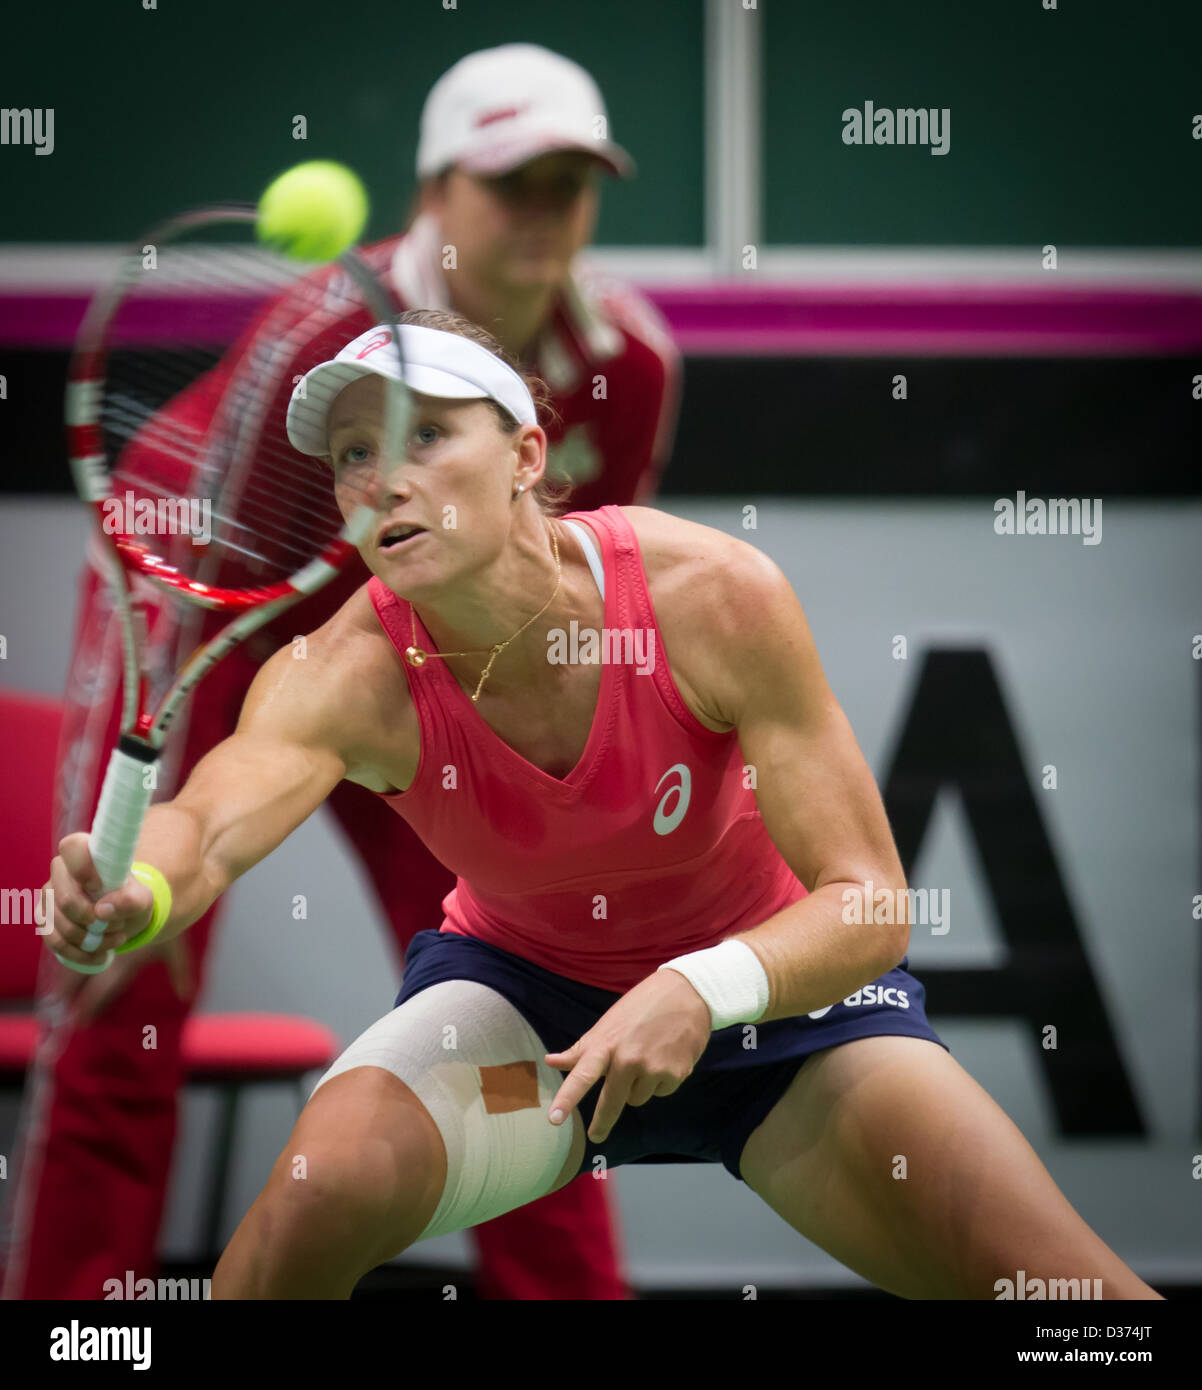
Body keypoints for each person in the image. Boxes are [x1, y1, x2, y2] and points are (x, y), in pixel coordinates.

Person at [44, 313, 1162, 1300]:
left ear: (527, 452)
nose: (380, 480)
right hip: (529, 1016)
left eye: (425, 438)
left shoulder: (710, 596)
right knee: (312, 1196)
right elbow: (204, 825)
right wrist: (133, 892)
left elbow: (868, 906)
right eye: (351, 456)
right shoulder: (345, 674)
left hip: (781, 1017)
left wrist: (696, 987)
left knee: (1062, 1293)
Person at [0, 44, 679, 1302]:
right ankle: (75, 1324)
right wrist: (181, 842)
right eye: (510, 182)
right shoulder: (316, 335)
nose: (543, 215)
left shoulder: (628, 365)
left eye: (568, 185)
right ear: (434, 195)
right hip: (204, 602)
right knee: (125, 977)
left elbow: (560, 600)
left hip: (421, 641)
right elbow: (224, 584)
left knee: (523, 1002)